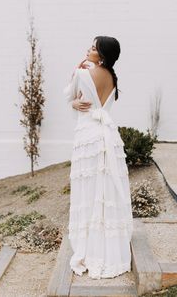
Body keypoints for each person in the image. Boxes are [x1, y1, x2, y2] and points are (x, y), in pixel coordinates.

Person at [63, 36, 134, 279]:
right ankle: (108, 247)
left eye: (93, 47)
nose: (88, 49)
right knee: (106, 190)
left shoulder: (83, 74)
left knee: (89, 190)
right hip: (108, 137)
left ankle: (89, 246)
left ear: (101, 55)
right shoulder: (113, 78)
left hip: (88, 138)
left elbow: (67, 96)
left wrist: (76, 74)